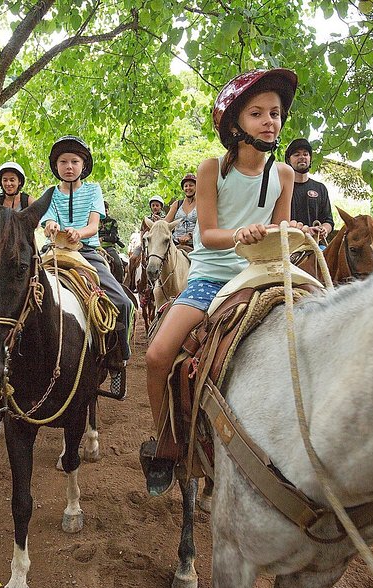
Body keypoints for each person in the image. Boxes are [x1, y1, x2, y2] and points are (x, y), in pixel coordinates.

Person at [142, 68, 305, 496]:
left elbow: (281, 228)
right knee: (158, 354)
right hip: (213, 276)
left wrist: (298, 234)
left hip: (263, 275)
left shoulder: (284, 175)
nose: (270, 120)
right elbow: (210, 232)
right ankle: (166, 442)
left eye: (275, 112)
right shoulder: (212, 169)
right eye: (257, 113)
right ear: (235, 124)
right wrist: (240, 235)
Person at [41, 135, 133, 366]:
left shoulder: (93, 190)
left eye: (74, 161)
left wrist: (78, 233)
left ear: (83, 166)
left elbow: (93, 226)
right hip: (54, 251)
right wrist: (51, 225)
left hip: (87, 252)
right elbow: (48, 221)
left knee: (123, 302)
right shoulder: (50, 193)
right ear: (56, 166)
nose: (69, 167)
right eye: (63, 162)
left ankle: (119, 357)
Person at [285, 138, 333, 245]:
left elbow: (328, 221)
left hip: (316, 246)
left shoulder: (320, 188)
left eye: (305, 154)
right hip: (290, 245)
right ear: (288, 160)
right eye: (296, 155)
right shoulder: (282, 187)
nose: (302, 157)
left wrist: (323, 229)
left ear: (310, 158)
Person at [165, 173, 198, 248]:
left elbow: (205, 226)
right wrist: (159, 221)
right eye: (186, 186)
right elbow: (166, 222)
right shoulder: (177, 204)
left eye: (191, 185)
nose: (188, 188)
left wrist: (190, 235)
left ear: (196, 187)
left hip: (194, 244)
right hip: (175, 243)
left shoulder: (201, 204)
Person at [98, 200, 125, 280]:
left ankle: (120, 283)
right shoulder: (94, 221)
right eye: (102, 210)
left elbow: (114, 237)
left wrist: (103, 238)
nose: (104, 212)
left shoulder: (113, 222)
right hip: (95, 247)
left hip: (109, 248)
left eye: (106, 210)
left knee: (118, 263)